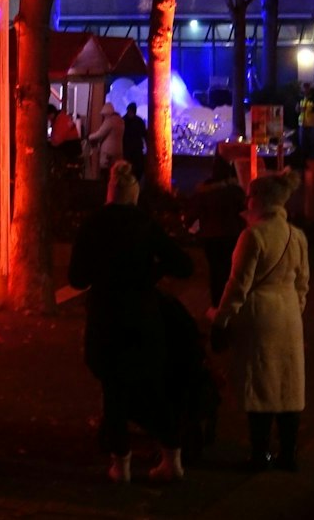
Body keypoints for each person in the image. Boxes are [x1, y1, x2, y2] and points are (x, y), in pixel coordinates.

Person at [68, 162, 195, 483]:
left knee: (114, 391)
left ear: (109, 194)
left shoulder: (93, 225)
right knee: (152, 389)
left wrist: (102, 274)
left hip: (106, 317)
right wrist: (150, 275)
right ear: (134, 196)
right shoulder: (145, 224)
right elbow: (183, 264)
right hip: (142, 315)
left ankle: (120, 465)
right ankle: (172, 458)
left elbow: (76, 277)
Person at [211, 172, 310, 472]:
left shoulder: (252, 236)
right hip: (289, 313)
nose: (247, 200)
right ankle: (289, 453)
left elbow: (238, 285)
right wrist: (295, 309)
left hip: (259, 314)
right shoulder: (297, 235)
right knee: (288, 383)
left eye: (251, 196)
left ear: (260, 200)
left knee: (260, 384)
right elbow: (303, 283)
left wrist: (222, 319)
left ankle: (260, 453)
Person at [187, 155, 248, 306]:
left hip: (211, 236)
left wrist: (193, 229)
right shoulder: (235, 191)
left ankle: (217, 303)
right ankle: (231, 303)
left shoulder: (205, 191)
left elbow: (194, 213)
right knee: (231, 269)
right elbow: (245, 211)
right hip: (232, 235)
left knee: (215, 271)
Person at [88, 105, 126, 182]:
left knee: (105, 173)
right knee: (116, 173)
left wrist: (89, 137)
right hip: (118, 150)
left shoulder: (109, 121)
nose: (103, 117)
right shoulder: (121, 121)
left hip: (108, 152)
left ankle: (105, 190)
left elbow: (100, 134)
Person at [122, 104, 151, 184]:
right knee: (135, 168)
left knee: (135, 168)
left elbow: (144, 134)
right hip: (131, 148)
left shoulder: (124, 120)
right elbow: (144, 134)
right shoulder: (138, 121)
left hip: (132, 148)